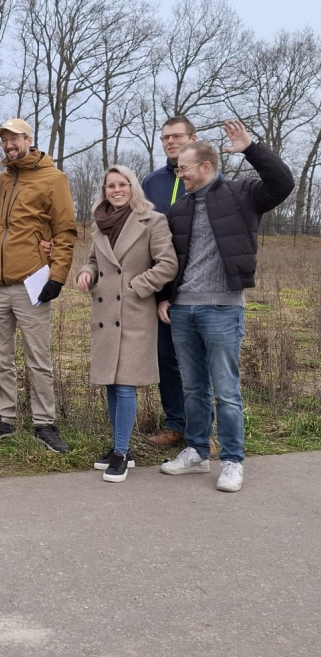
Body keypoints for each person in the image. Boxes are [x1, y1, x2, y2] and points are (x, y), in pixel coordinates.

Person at [157, 122, 294, 492]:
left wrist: (251, 147)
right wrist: (165, 297)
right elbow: (169, 258)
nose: (179, 173)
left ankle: (232, 460)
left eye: (184, 167)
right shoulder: (178, 209)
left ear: (205, 165)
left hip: (223, 308)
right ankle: (198, 452)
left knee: (226, 390)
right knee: (193, 388)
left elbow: (283, 183)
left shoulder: (242, 194)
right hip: (183, 310)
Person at [0, 118, 77, 452]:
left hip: (31, 284)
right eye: (4, 140)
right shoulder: (3, 180)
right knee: (1, 357)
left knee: (38, 358)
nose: (9, 145)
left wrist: (58, 275)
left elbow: (64, 230)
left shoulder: (53, 178)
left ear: (29, 139)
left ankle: (44, 423)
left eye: (14, 139)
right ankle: (4, 419)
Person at [76, 166, 178, 482]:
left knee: (125, 384)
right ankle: (122, 448)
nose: (116, 190)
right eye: (110, 186)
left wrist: (137, 286)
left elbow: (168, 264)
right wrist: (86, 273)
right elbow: (94, 260)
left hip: (134, 314)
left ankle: (120, 452)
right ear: (104, 190)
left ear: (133, 187)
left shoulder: (153, 221)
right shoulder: (101, 224)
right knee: (110, 381)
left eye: (122, 184)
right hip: (106, 315)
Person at [139, 115, 196, 447]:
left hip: (199, 287)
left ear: (192, 137)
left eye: (176, 136)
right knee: (166, 358)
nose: (170, 142)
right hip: (161, 289)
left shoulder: (205, 180)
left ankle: (202, 430)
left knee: (196, 362)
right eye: (165, 138)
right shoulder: (151, 182)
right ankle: (175, 424)